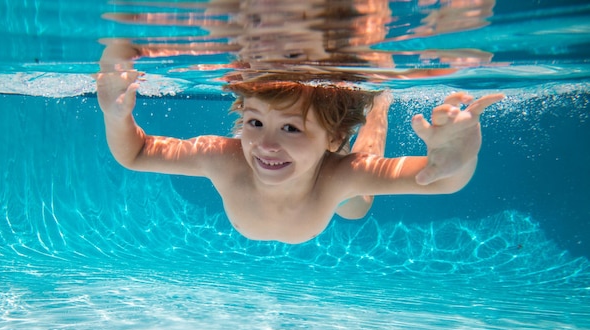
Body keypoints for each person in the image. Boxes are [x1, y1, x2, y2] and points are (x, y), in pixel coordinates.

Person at [94, 42, 504, 244]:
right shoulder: (222, 157)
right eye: (254, 122)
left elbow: (442, 180)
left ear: (332, 138)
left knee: (358, 198)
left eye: (290, 128)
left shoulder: (340, 176)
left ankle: (379, 105)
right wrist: (116, 115)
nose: (266, 145)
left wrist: (454, 157)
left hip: (337, 189)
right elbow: (137, 152)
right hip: (325, 173)